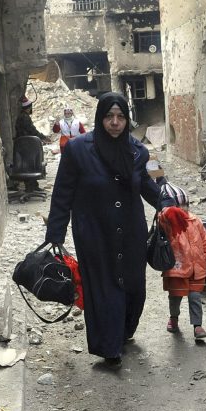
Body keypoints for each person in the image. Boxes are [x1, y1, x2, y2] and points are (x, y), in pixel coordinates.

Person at [45, 92, 171, 367]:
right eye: (109, 116)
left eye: (120, 117)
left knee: (135, 287)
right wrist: (55, 234)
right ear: (100, 118)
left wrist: (169, 204)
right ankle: (108, 347)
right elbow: (62, 193)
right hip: (94, 231)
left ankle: (125, 332)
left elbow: (158, 181)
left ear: (127, 119)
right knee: (103, 288)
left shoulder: (140, 150)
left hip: (131, 231)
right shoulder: (77, 150)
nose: (115, 122)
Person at [157, 182, 206, 342]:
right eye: (179, 205)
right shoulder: (168, 222)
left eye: (186, 205)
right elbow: (161, 217)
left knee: (195, 296)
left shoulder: (196, 220)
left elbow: (204, 239)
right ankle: (173, 318)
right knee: (175, 296)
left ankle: (197, 326)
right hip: (177, 269)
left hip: (197, 267)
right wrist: (167, 210)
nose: (184, 209)